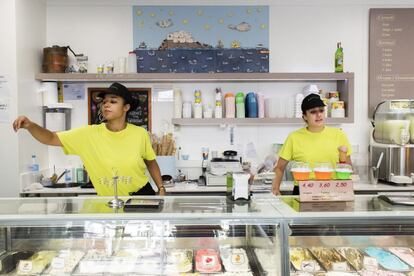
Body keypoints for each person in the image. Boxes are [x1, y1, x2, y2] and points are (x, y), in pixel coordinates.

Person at [13, 82, 165, 196]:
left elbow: (151, 162)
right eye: (104, 102)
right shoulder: (88, 134)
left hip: (142, 196)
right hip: (108, 203)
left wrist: (161, 188)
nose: (106, 105)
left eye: (113, 101)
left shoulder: (140, 133)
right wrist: (30, 125)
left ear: (126, 107)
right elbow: (51, 138)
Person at [272, 93, 352, 195]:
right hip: (303, 191)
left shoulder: (339, 135)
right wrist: (275, 189)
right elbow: (279, 167)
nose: (318, 115)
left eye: (321, 111)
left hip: (332, 191)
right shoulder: (294, 137)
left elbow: (348, 167)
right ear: (304, 116)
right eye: (313, 112)